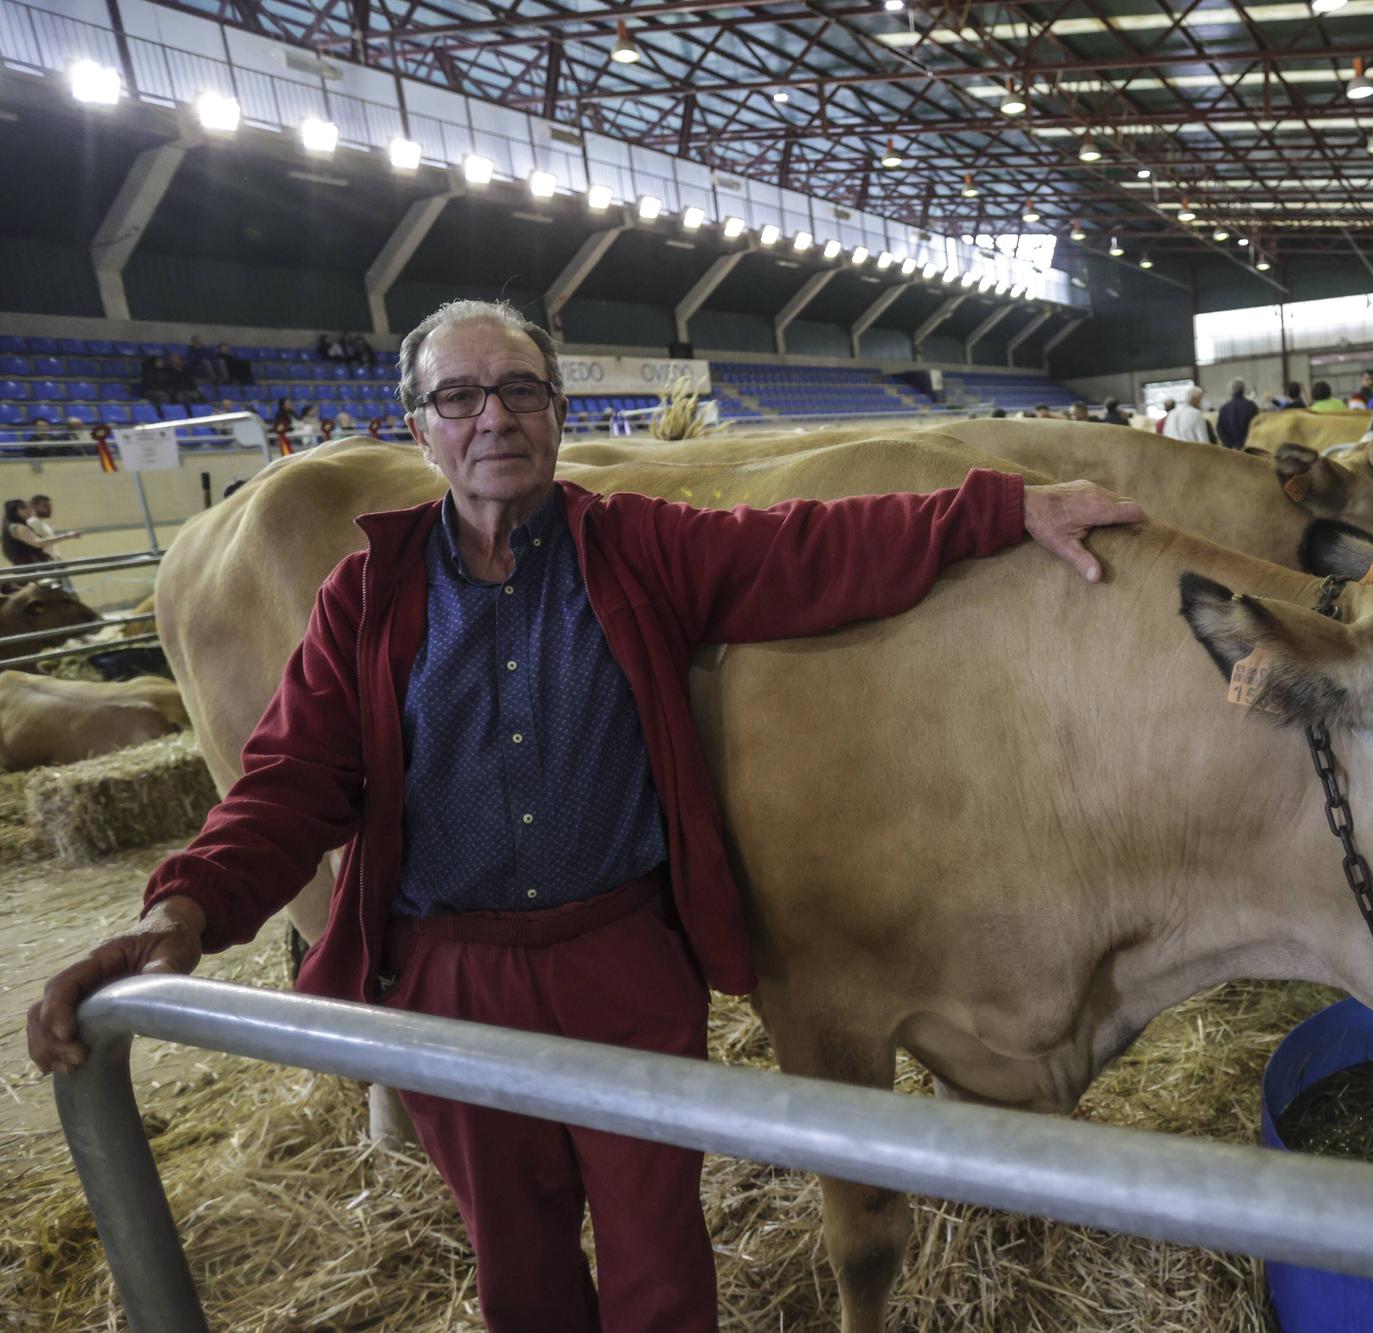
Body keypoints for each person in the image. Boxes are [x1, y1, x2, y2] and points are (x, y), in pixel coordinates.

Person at [25, 297, 1145, 1333]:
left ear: (559, 415)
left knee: (662, 1260)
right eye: (459, 397)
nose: (493, 418)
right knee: (521, 1272)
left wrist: (1003, 508)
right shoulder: (365, 594)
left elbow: (816, 547)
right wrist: (184, 907)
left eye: (520, 390)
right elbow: (288, 779)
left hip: (621, 962)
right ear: (419, 428)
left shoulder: (640, 547)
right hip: (449, 980)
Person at [26, 494, 81, 562]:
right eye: (45, 506)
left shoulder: (42, 523)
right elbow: (36, 544)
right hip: (45, 563)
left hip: (53, 561)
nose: (49, 509)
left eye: (50, 506)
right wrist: (67, 536)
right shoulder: (32, 522)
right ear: (34, 506)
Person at [3, 498, 56, 567]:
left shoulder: (15, 525)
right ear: (18, 510)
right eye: (26, 508)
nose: (30, 510)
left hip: (34, 563)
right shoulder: (18, 527)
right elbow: (38, 543)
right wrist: (67, 536)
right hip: (31, 564)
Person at [1215, 378, 1258, 450]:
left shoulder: (1224, 409)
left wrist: (1231, 445)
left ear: (1231, 390)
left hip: (1232, 451)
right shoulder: (1252, 406)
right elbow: (1257, 426)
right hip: (1249, 448)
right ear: (1243, 389)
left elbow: (1221, 429)